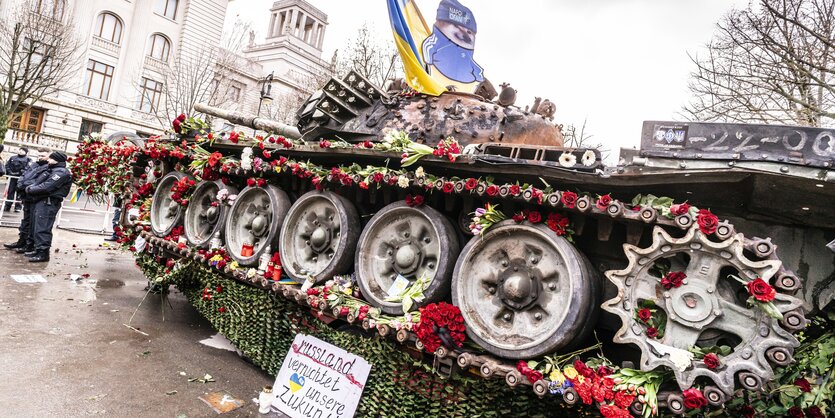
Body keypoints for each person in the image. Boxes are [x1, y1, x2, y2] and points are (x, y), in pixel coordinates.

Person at [23, 151, 72, 263]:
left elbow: (46, 187)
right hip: (41, 201)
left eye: (50, 158)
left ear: (57, 160)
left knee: (43, 228)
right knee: (36, 227)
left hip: (48, 202)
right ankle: (38, 249)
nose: (48, 160)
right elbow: (37, 182)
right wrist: (31, 187)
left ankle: (43, 253)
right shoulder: (52, 170)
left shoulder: (61, 172)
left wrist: (30, 189)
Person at [4, 149, 50, 253]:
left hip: (35, 197)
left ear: (49, 157)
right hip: (26, 196)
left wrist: (24, 185)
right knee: (25, 221)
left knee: (32, 223)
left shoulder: (47, 168)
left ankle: (29, 245)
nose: (40, 157)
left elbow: (37, 182)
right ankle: (22, 241)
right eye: (39, 155)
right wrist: (20, 183)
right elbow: (23, 175)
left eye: (43, 155)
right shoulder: (33, 164)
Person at [4, 147, 31, 212]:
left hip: (21, 179)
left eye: (23, 150)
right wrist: (10, 172)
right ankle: (8, 205)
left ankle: (18, 207)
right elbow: (7, 166)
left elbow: (28, 168)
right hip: (12, 178)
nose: (21, 151)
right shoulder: (12, 158)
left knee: (20, 193)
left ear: (26, 152)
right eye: (20, 150)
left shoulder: (28, 159)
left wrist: (19, 173)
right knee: (10, 192)